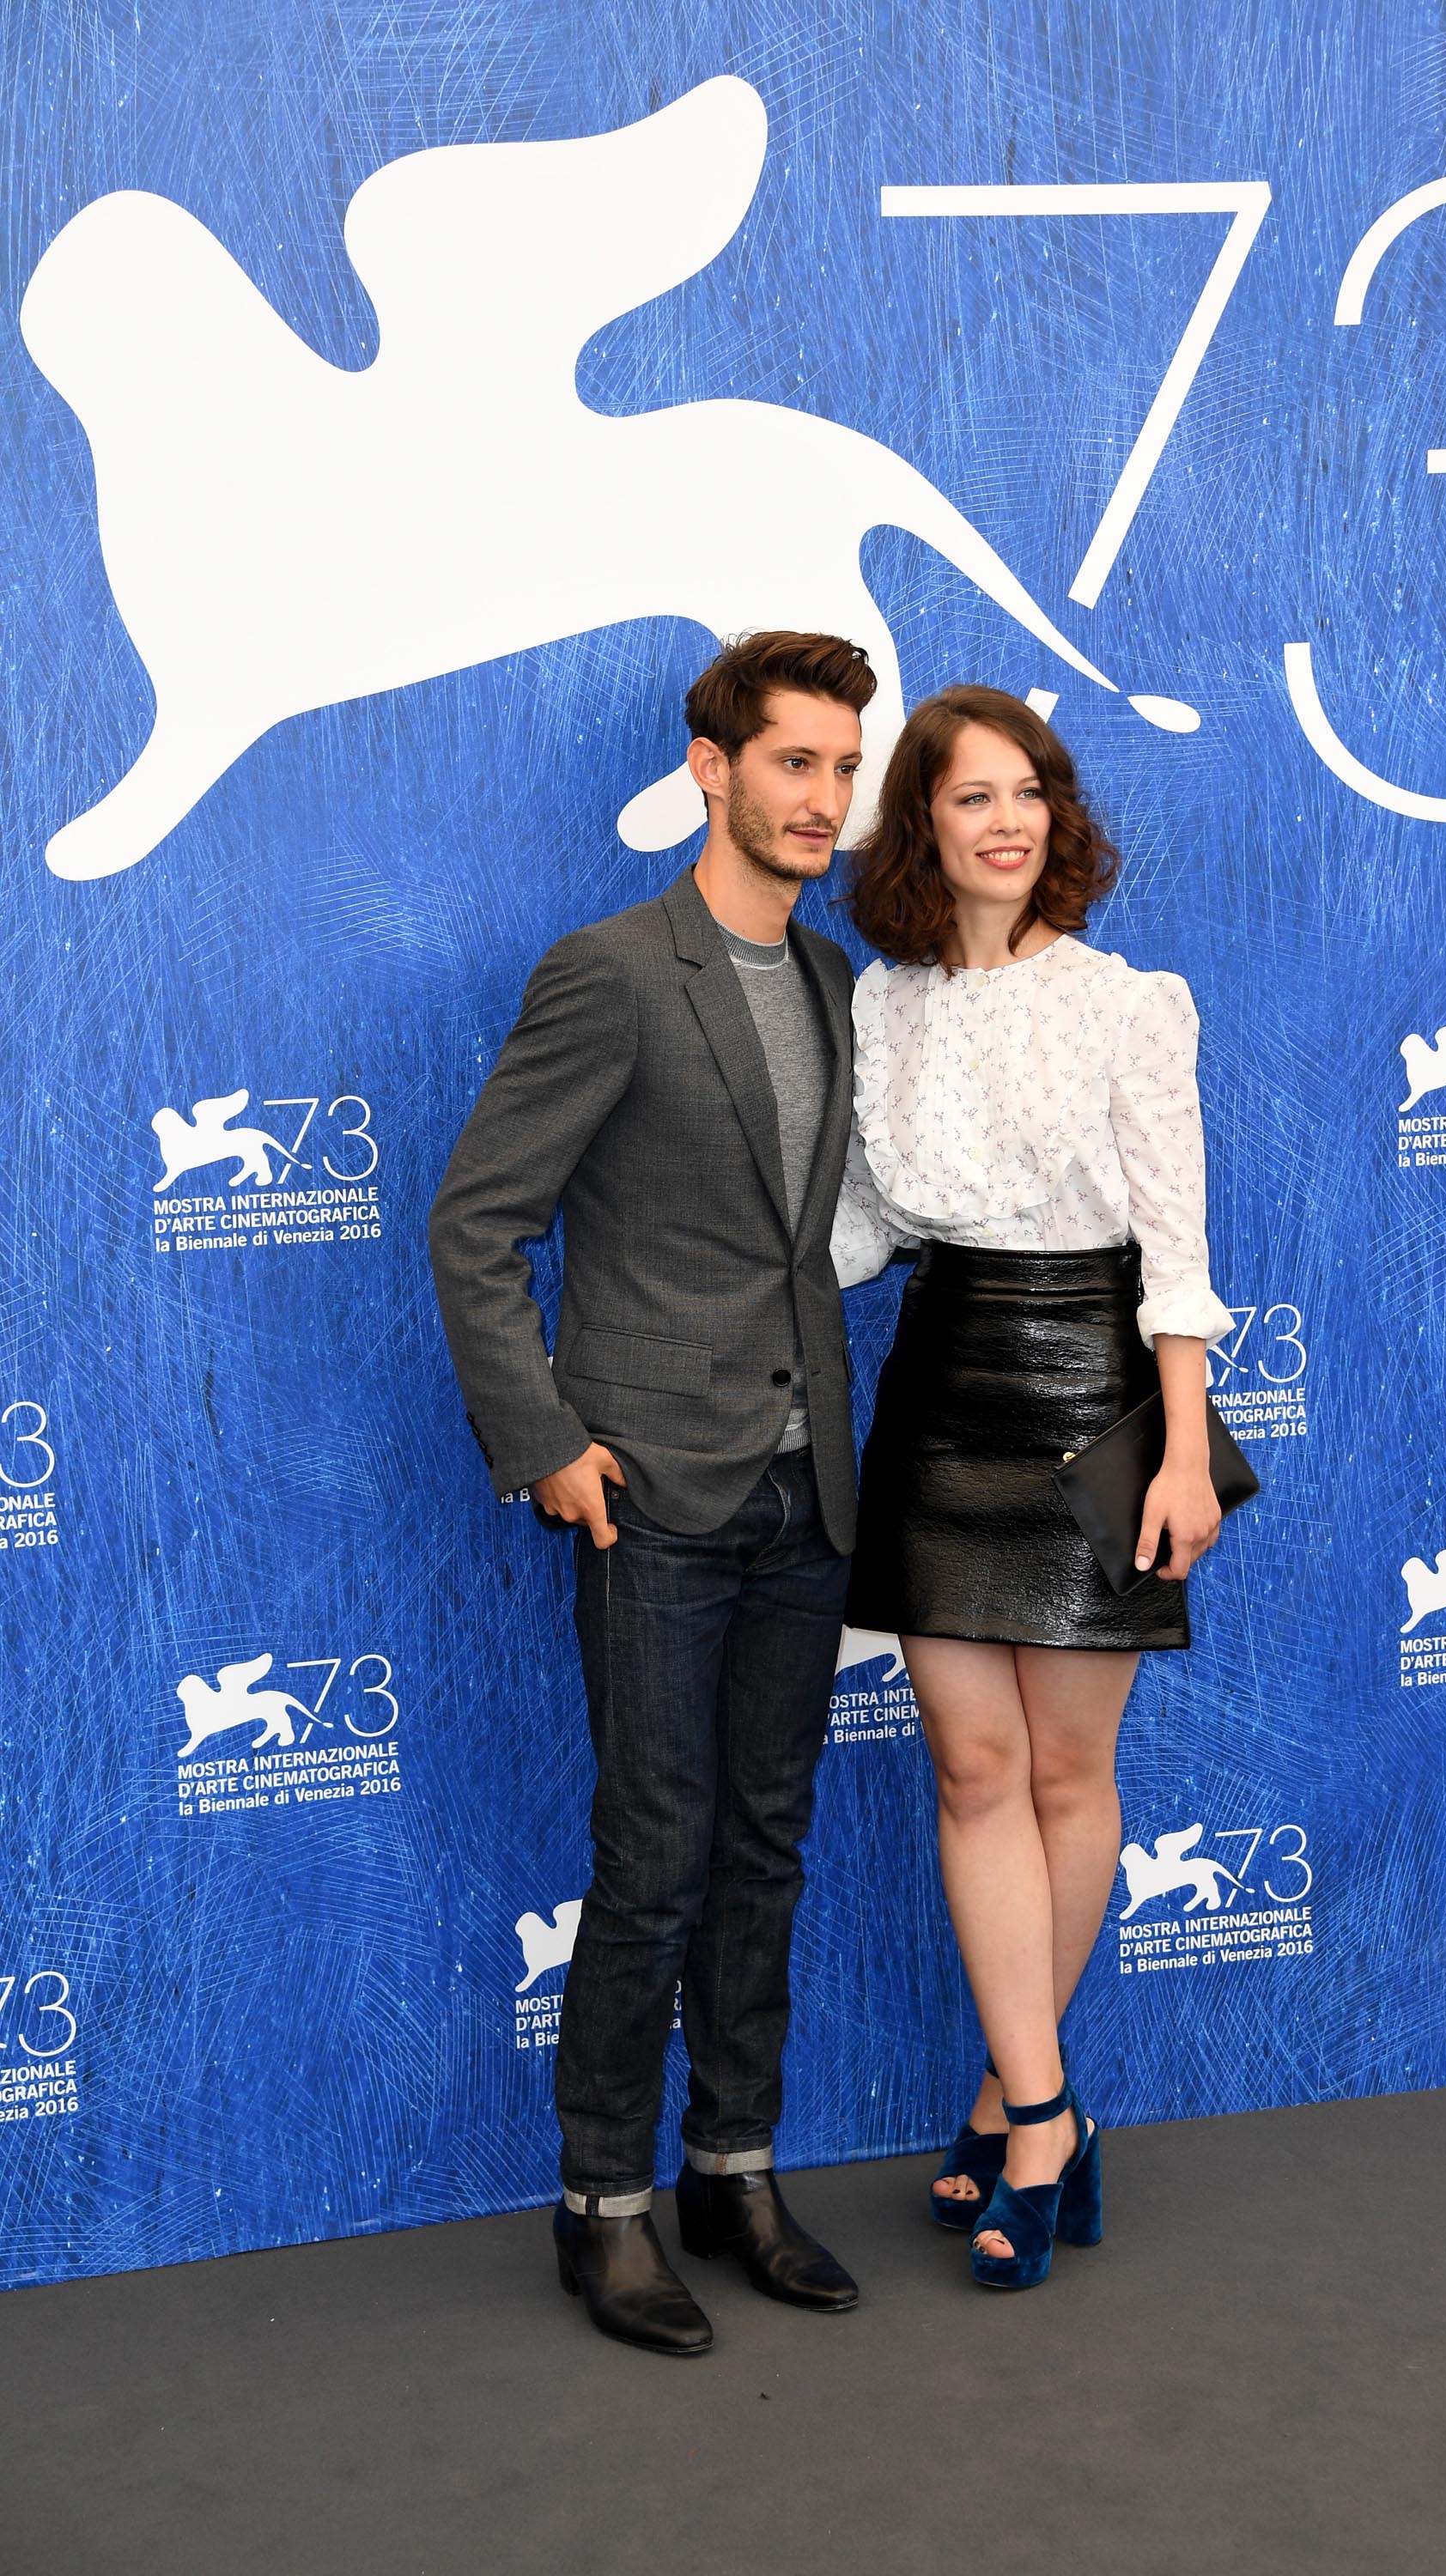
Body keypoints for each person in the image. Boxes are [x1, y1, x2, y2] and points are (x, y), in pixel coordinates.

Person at [429, 630, 877, 2357]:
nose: (824, 799)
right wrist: (546, 1442)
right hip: (652, 1492)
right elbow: (478, 1222)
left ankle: (732, 2169)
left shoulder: (834, 981)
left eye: (843, 769)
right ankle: (601, 2205)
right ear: (711, 767)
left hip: (805, 1490)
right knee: (655, 1856)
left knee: (766, 1848)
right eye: (793, 765)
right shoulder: (611, 970)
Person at [833, 684, 1234, 2292]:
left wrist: (1186, 1453)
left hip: (1095, 1395)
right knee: (968, 1765)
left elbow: (1178, 1251)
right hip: (939, 1390)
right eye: (970, 795)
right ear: (920, 824)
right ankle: (1044, 2105)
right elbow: (860, 1227)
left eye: (1031, 793)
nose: (1006, 819)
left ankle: (1019, 2107)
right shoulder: (881, 1007)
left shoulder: (1133, 1004)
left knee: (1066, 1778)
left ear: (1057, 821)